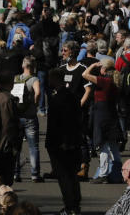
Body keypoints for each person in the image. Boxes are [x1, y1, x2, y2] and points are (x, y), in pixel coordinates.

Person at [44, 68, 82, 215]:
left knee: (64, 176)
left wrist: (62, 142)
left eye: (50, 78)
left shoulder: (59, 99)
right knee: (71, 175)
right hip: (71, 142)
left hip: (60, 144)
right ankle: (74, 204)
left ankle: (70, 206)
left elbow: (60, 123)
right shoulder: (71, 97)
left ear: (55, 79)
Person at [84, 59, 122, 183]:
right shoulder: (113, 81)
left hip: (102, 116)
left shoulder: (105, 81)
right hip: (111, 115)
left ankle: (104, 173)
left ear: (104, 69)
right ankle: (117, 173)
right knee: (113, 146)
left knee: (103, 145)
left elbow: (84, 74)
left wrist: (93, 65)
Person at [0, 71, 20, 186]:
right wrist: (14, 145)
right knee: (5, 181)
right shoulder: (7, 99)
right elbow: (9, 125)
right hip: (4, 146)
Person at [13, 56, 42, 183]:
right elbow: (38, 92)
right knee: (33, 146)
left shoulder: (16, 78)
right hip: (30, 116)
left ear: (23, 66)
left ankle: (15, 173)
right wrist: (35, 104)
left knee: (16, 147)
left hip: (17, 116)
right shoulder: (34, 79)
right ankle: (35, 174)